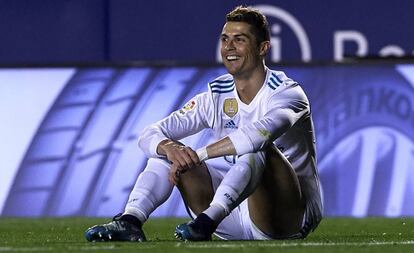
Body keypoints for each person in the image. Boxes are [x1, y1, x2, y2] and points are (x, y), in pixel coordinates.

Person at [84, 5, 323, 242]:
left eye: (239, 39)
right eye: (225, 39)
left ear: (263, 48)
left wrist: (197, 154)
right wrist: (170, 148)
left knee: (257, 149)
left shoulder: (287, 93)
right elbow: (149, 133)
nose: (229, 47)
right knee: (170, 152)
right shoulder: (217, 93)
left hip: (286, 215)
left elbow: (257, 135)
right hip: (230, 217)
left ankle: (204, 223)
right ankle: (130, 221)